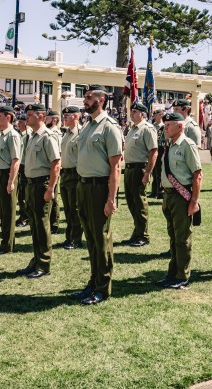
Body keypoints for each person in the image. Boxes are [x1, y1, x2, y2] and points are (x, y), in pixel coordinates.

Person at [70, 85, 123, 306]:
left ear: (101, 100)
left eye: (89, 97)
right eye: (85, 97)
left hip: (99, 188)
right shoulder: (88, 125)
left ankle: (103, 287)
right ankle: (93, 281)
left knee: (101, 238)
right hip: (84, 186)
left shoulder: (109, 127)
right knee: (91, 238)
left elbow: (116, 167)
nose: (85, 100)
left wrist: (111, 198)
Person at [157, 112, 202, 289]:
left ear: (180, 126)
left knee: (182, 238)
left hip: (181, 197)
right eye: (165, 124)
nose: (165, 127)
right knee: (173, 237)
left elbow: (197, 175)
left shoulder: (187, 145)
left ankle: (182, 275)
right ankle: (173, 272)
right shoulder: (170, 145)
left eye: (169, 124)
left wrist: (194, 201)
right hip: (169, 196)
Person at [16, 103, 61, 279]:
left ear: (41, 116)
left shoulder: (47, 137)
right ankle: (36, 260)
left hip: (42, 183)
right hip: (31, 183)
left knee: (42, 225)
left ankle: (44, 263)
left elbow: (56, 163)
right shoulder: (33, 136)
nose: (26, 117)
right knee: (34, 224)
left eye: (30, 115)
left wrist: (51, 188)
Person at [122, 102, 158, 247]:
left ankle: (143, 235)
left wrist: (148, 173)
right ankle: (137, 232)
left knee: (139, 203)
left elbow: (153, 152)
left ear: (143, 114)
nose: (132, 114)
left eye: (135, 111)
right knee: (131, 202)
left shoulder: (147, 129)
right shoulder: (132, 129)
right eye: (132, 111)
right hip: (130, 169)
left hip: (139, 169)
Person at [0, 106, 21, 255]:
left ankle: (7, 245)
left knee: (8, 212)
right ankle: (5, 241)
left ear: (8, 117)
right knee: (2, 210)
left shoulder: (12, 135)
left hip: (7, 176)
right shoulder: (1, 135)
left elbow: (15, 160)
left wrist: (11, 181)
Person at [60, 106, 83, 250]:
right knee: (68, 209)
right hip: (65, 173)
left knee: (75, 209)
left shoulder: (81, 134)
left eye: (68, 116)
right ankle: (69, 236)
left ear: (76, 117)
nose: (65, 118)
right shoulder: (66, 133)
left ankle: (76, 239)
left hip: (75, 174)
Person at [45, 110, 63, 234]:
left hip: (53, 167)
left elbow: (57, 154)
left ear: (54, 120)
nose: (46, 121)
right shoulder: (50, 133)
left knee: (54, 196)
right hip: (48, 167)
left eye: (48, 119)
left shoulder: (55, 134)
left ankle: (54, 223)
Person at [15, 114, 32, 228]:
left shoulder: (28, 135)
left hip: (26, 167)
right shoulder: (20, 135)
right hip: (21, 166)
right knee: (21, 194)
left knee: (26, 195)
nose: (18, 124)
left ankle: (26, 217)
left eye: (21, 122)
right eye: (18, 122)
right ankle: (23, 215)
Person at [150, 109, 165, 198]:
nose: (154, 117)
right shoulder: (153, 126)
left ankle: (159, 191)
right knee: (153, 171)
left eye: (156, 115)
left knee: (159, 171)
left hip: (160, 149)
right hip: (152, 148)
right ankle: (153, 191)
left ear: (160, 115)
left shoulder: (163, 126)